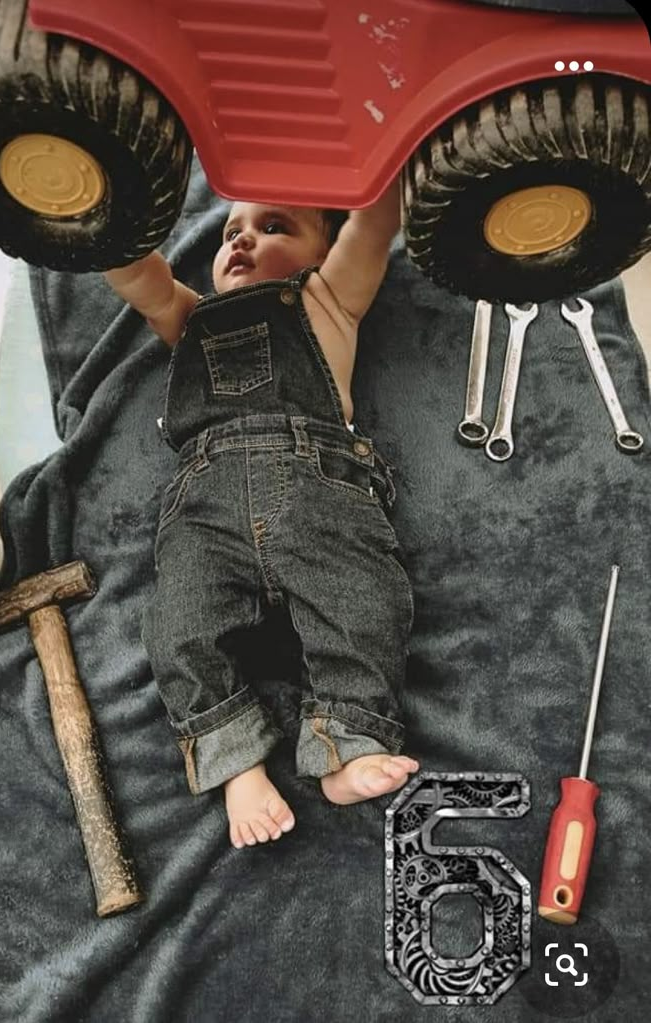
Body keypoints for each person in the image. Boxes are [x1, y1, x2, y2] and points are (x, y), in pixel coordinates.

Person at [104, 181, 419, 850]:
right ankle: (237, 763)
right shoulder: (190, 316)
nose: (242, 237)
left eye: (274, 225)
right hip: (204, 508)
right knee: (178, 626)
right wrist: (93, 221)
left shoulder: (326, 301)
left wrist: (382, 169)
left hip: (318, 488)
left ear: (323, 254)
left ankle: (348, 744)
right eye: (229, 233)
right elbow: (138, 277)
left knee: (366, 603)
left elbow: (370, 229)